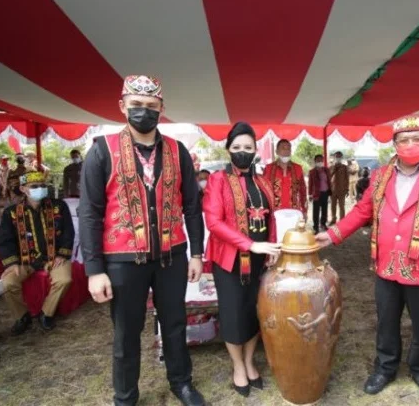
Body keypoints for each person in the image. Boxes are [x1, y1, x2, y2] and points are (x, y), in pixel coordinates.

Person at [316, 115, 419, 406]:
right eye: (404, 140)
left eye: (417, 139)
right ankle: (385, 368)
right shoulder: (379, 176)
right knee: (386, 322)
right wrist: (332, 235)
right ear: (395, 144)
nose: (411, 144)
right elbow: (363, 211)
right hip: (387, 265)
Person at [80, 75, 206, 406]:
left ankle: (182, 384)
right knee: (126, 332)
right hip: (122, 260)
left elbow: (193, 207)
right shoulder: (101, 150)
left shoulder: (179, 152)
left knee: (176, 324)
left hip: (172, 255)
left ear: (162, 109)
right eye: (136, 106)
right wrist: (94, 270)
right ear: (122, 107)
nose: (143, 112)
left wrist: (197, 254)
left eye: (151, 107)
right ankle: (125, 397)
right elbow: (90, 213)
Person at [204, 122, 281, 397]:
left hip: (260, 260)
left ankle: (250, 362)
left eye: (248, 147)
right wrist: (250, 244)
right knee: (234, 314)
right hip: (229, 261)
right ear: (228, 150)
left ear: (255, 150)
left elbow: (271, 217)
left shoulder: (262, 181)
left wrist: (270, 248)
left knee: (253, 312)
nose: (242, 152)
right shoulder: (217, 180)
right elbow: (213, 222)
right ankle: (237, 366)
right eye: (236, 147)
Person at [0, 171, 74, 334]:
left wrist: (62, 254)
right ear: (24, 189)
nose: (40, 189)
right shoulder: (11, 212)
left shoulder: (59, 206)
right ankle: (22, 316)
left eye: (43, 186)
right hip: (25, 261)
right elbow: (5, 240)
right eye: (35, 186)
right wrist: (11, 263)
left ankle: (46, 313)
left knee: (64, 279)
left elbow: (68, 232)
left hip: (53, 258)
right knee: (8, 283)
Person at [263, 139, 307, 216]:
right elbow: (263, 191)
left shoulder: (298, 168)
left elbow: (303, 191)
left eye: (288, 149)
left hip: (294, 212)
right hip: (274, 214)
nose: (286, 151)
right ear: (276, 151)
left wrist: (305, 211)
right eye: (283, 148)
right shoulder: (268, 168)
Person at [308, 154, 331, 233]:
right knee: (316, 211)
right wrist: (310, 194)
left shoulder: (326, 170)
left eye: (321, 160)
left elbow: (329, 181)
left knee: (324, 210)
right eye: (318, 160)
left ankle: (323, 224)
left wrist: (330, 190)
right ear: (315, 161)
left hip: (325, 192)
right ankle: (315, 227)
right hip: (316, 194)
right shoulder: (312, 172)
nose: (320, 162)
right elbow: (310, 183)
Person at [329, 151, 349, 224]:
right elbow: (329, 177)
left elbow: (347, 179)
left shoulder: (344, 167)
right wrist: (334, 169)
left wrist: (347, 189)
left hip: (342, 190)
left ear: (342, 158)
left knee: (342, 206)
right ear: (334, 157)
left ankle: (342, 221)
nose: (338, 158)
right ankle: (333, 219)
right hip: (333, 190)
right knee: (333, 206)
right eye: (336, 157)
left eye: (339, 157)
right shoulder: (331, 167)